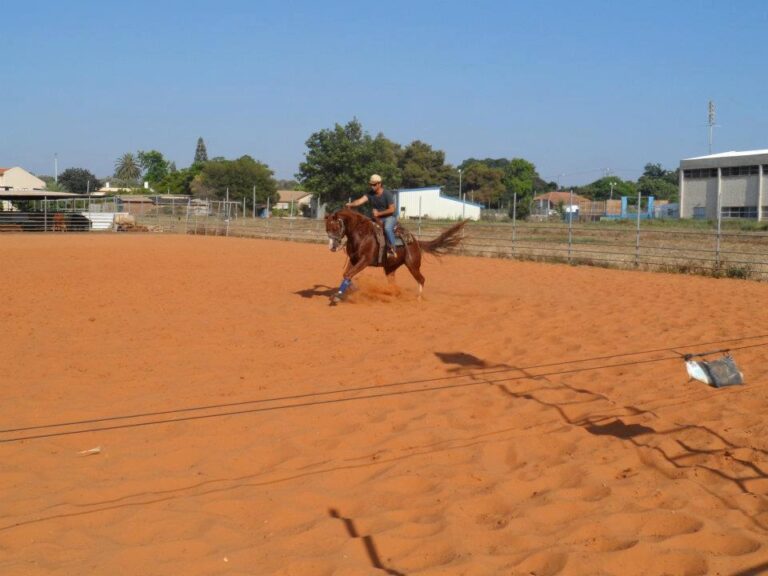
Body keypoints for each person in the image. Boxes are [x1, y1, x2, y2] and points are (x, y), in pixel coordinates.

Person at [346, 174, 398, 258]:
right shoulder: (370, 194)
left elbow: (392, 209)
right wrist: (351, 204)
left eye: (374, 184)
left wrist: (378, 214)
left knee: (387, 228)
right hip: (377, 218)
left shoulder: (387, 194)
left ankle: (393, 249)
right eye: (371, 184)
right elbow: (360, 201)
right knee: (364, 227)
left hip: (389, 217)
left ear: (379, 184)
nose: (372, 186)